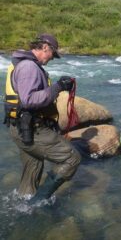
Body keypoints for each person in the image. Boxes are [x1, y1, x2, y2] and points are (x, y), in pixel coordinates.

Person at [3, 33, 81, 204]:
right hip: (31, 129)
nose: (53, 58)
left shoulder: (23, 65)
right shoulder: (29, 68)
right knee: (72, 158)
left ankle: (24, 204)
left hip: (22, 129)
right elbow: (29, 100)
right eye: (53, 53)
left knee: (33, 165)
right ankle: (38, 202)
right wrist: (58, 87)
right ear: (45, 47)